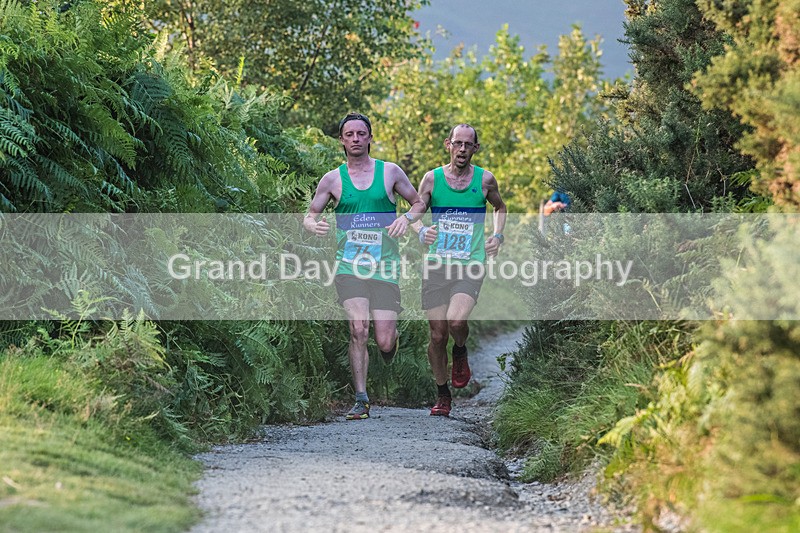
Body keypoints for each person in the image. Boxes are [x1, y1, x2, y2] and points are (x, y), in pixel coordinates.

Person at [303, 112, 425, 421]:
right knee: (358, 328)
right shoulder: (332, 179)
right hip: (349, 267)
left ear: (370, 138)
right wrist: (312, 225)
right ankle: (361, 399)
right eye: (350, 134)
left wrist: (406, 219)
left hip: (384, 267)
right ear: (341, 140)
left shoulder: (390, 172)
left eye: (361, 133)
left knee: (384, 339)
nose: (356, 139)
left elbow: (419, 202)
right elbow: (310, 214)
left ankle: (389, 346)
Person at [413, 124, 507, 417]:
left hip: (470, 264)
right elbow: (414, 212)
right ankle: (443, 395)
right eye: (458, 143)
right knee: (438, 334)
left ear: (475, 149)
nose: (463, 149)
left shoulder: (485, 180)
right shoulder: (432, 179)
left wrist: (497, 236)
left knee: (456, 322)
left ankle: (461, 350)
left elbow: (500, 208)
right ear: (448, 145)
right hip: (437, 265)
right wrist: (420, 231)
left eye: (468, 144)